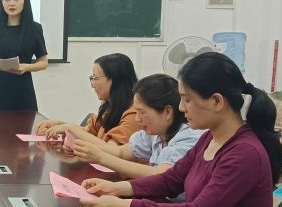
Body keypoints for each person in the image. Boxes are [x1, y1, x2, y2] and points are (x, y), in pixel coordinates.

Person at [78, 52, 282, 207]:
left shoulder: (244, 153)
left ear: (216, 101)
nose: (181, 108)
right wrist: (116, 188)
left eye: (187, 99)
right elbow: (171, 179)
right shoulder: (209, 138)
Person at [70, 74, 204, 178]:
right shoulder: (155, 134)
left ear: (167, 112)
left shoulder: (188, 138)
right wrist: (81, 148)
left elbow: (160, 175)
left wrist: (101, 158)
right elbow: (121, 152)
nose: (137, 119)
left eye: (142, 112)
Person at [35, 53, 140, 146]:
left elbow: (112, 150)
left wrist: (69, 128)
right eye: (92, 78)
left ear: (114, 80)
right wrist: (59, 124)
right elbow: (87, 131)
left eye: (95, 78)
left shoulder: (134, 115)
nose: (93, 85)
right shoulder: (111, 107)